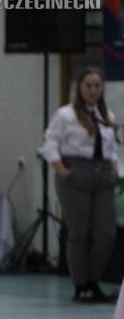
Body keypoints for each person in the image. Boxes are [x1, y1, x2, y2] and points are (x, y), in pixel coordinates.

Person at [41, 67, 119, 303]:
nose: (93, 90)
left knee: (106, 233)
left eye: (97, 86)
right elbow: (50, 143)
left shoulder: (106, 115)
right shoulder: (65, 115)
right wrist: (63, 171)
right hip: (76, 172)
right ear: (80, 88)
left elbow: (112, 147)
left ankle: (94, 280)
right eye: (88, 85)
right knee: (79, 232)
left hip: (102, 174)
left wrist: (113, 167)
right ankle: (81, 284)